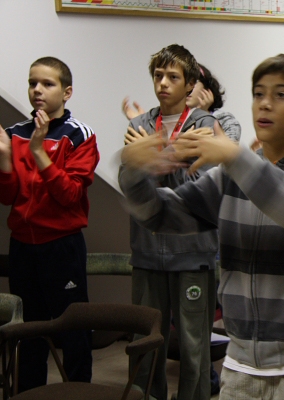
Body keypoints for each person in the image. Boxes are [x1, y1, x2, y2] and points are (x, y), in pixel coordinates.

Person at [118, 53, 284, 400]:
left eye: (280, 95)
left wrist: (238, 158)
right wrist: (134, 172)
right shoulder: (230, 178)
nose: (264, 104)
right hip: (240, 368)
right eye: (258, 94)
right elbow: (161, 216)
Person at [123, 44, 218, 400]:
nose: (163, 83)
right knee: (146, 343)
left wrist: (154, 157)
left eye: (173, 77)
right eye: (158, 75)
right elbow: (132, 186)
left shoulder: (205, 125)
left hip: (193, 253)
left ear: (190, 84)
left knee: (194, 346)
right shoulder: (138, 125)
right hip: (147, 253)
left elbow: (202, 189)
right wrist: (175, 155)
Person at [0, 56, 99, 391]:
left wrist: (40, 153)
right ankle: (29, 394)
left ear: (67, 92)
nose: (37, 90)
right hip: (23, 247)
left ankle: (79, 393)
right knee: (30, 330)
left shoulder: (80, 135)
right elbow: (7, 196)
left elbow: (69, 195)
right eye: (32, 83)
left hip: (61, 247)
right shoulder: (15, 134)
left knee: (73, 329)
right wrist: (4, 158)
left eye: (47, 83)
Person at [123, 62, 241, 143]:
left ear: (207, 88)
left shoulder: (226, 120)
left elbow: (226, 159)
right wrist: (141, 124)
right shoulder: (157, 118)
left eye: (192, 82)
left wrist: (203, 115)